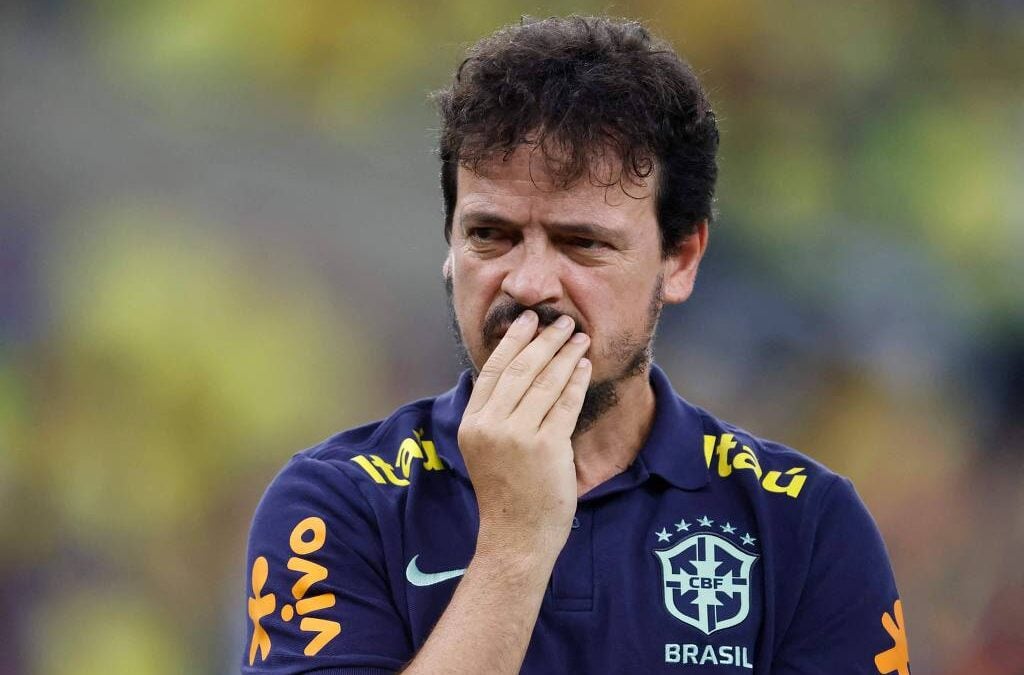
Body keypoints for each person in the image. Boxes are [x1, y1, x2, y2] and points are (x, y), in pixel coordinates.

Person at [242, 15, 910, 674]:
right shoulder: (335, 503)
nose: (530, 284)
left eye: (581, 242)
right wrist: (513, 548)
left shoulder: (805, 525)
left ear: (680, 258)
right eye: (490, 235)